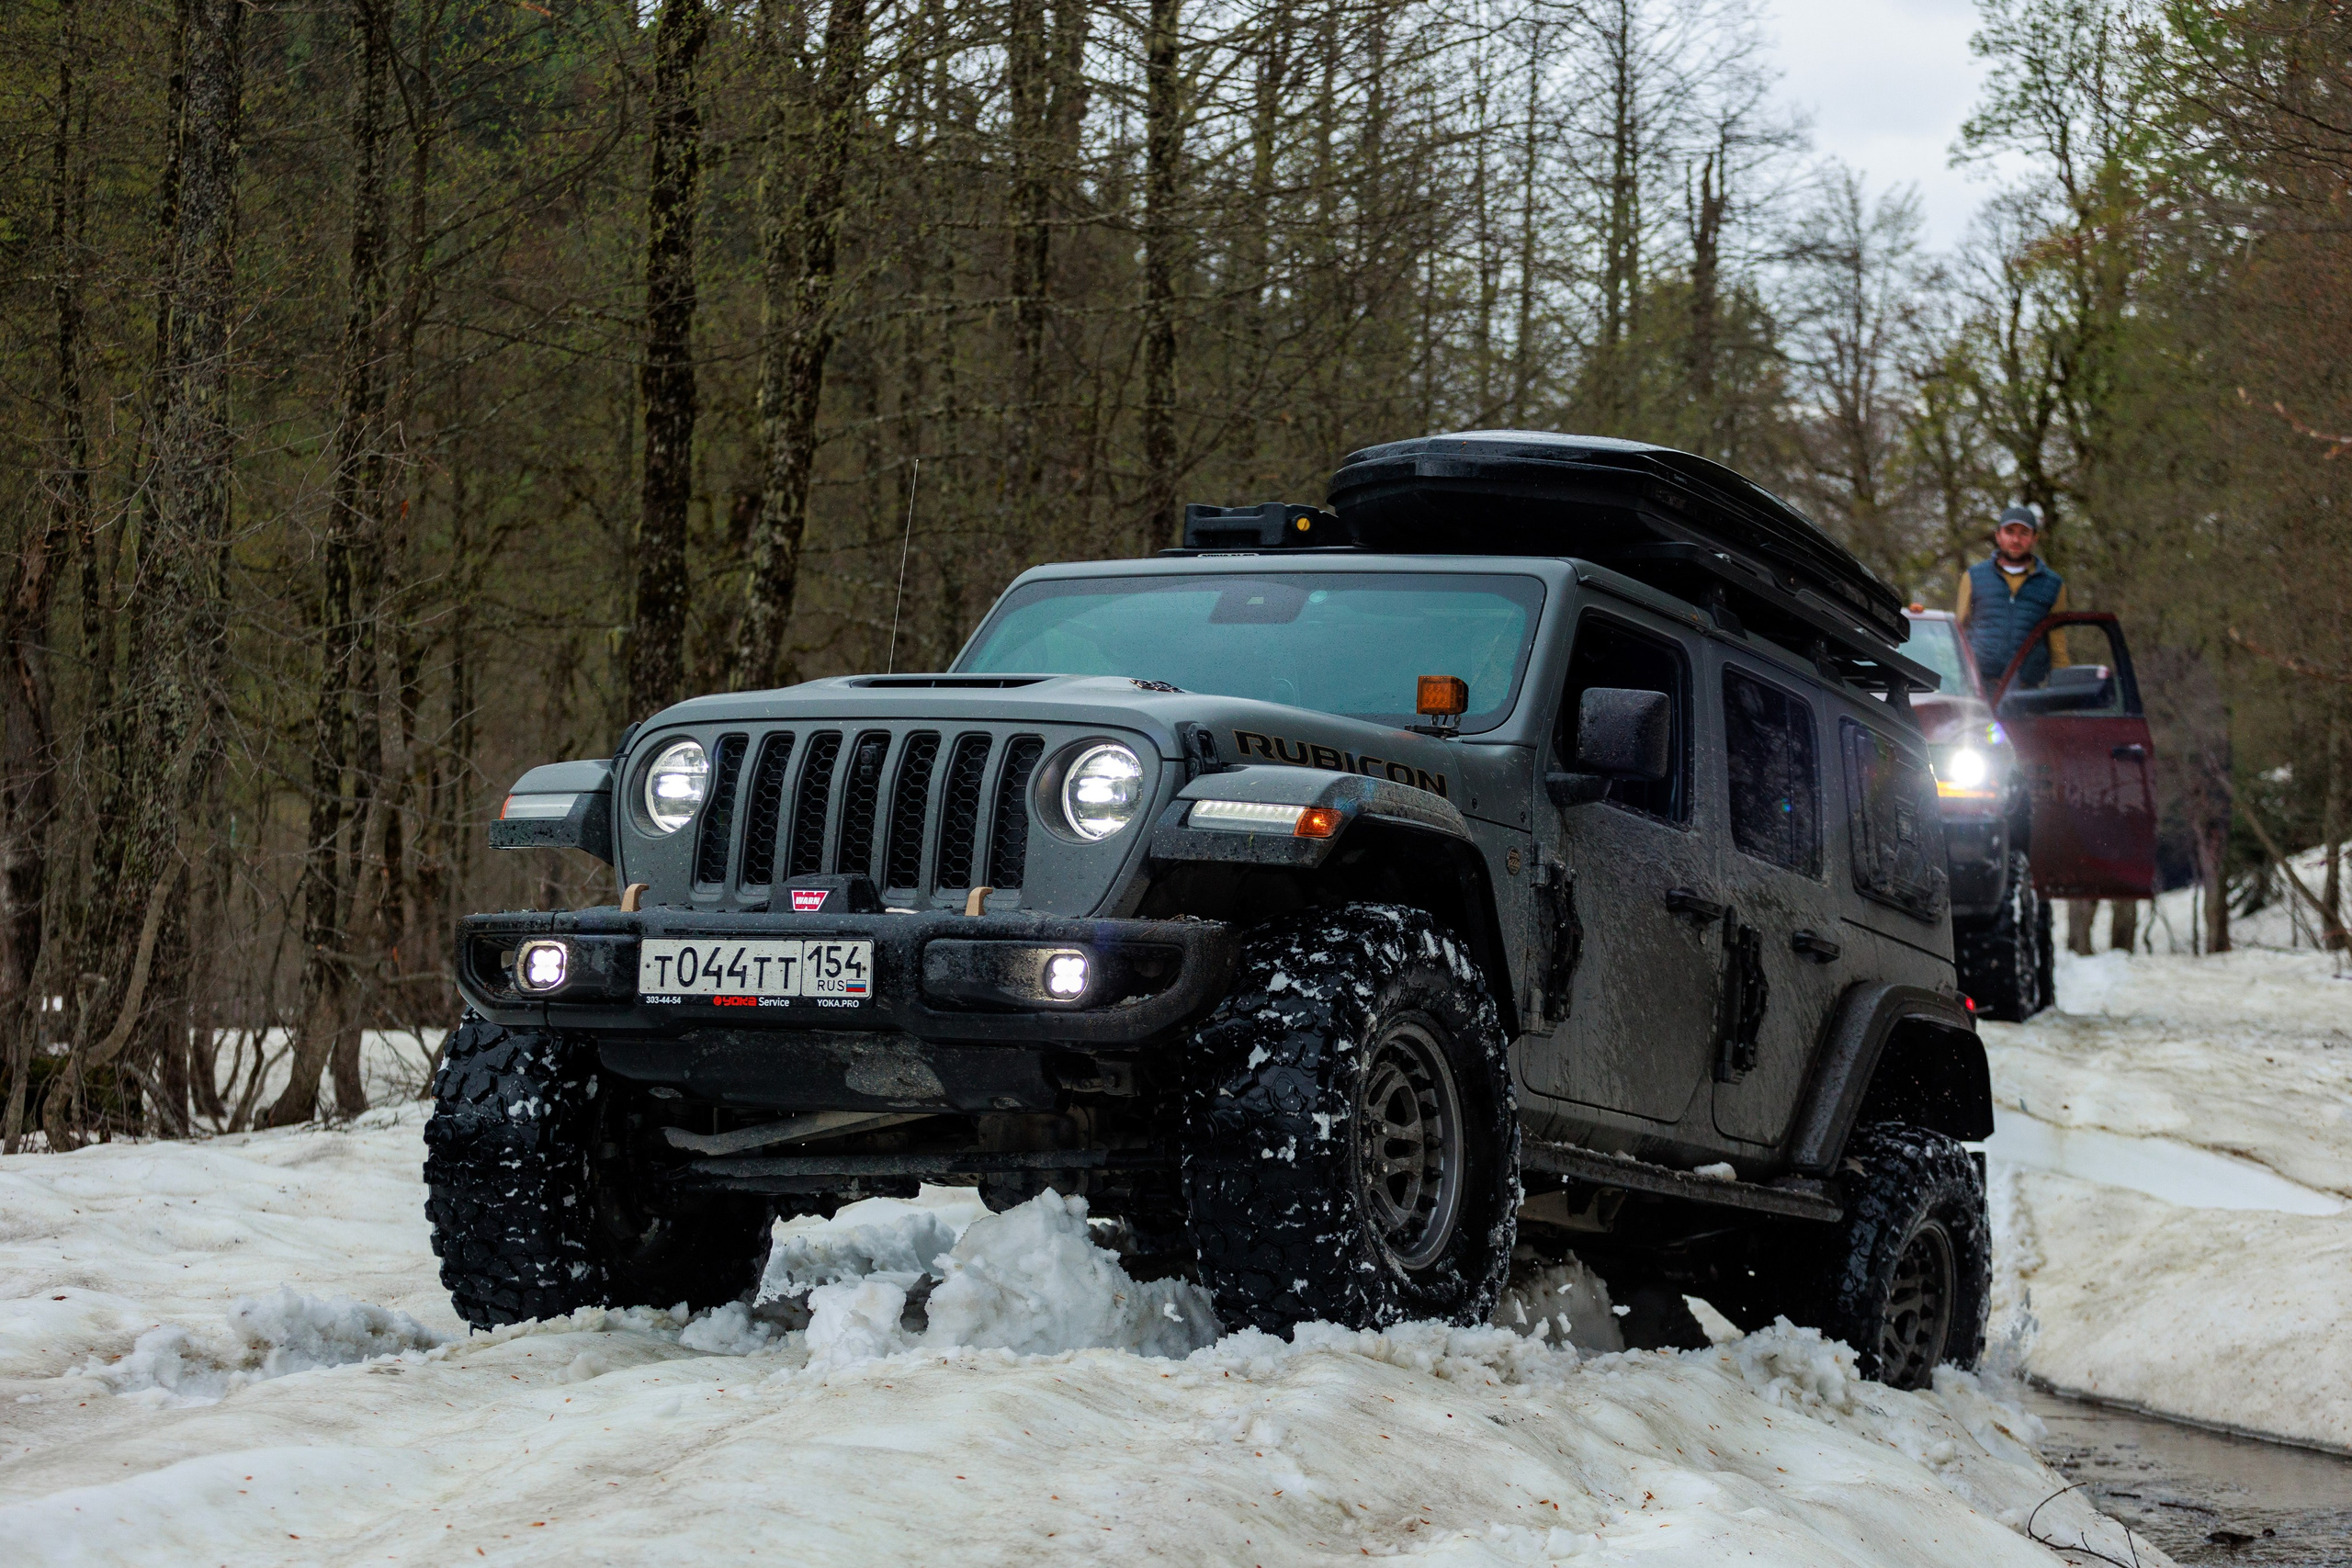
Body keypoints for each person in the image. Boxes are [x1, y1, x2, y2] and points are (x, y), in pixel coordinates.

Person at [1955, 504, 2068, 688]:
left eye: (2024, 533)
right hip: (1980, 690)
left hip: (2028, 693)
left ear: (2034, 538)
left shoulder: (2053, 584)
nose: (2016, 539)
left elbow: (2058, 647)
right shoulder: (1973, 577)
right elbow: (1958, 634)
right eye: (2009, 532)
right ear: (1998, 536)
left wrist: (2064, 695)